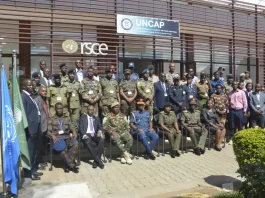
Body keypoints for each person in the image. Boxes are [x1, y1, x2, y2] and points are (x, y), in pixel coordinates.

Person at [47, 103, 79, 173]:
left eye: (61, 108)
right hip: (58, 138)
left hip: (67, 137)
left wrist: (74, 131)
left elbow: (72, 127)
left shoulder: (66, 118)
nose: (60, 110)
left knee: (75, 143)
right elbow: (48, 131)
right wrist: (52, 136)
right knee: (63, 150)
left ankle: (67, 164)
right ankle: (72, 165)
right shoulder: (51, 119)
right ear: (55, 109)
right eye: (58, 108)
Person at [21, 79, 42, 180]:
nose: (31, 87)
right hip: (31, 130)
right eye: (29, 85)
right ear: (24, 87)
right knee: (29, 152)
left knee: (34, 151)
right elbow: (24, 115)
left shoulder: (30, 96)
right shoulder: (23, 97)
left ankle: (33, 170)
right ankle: (28, 173)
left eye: (31, 85)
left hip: (35, 128)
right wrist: (29, 130)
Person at [34, 86, 49, 170]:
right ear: (39, 91)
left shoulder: (45, 99)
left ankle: (42, 161)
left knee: (43, 145)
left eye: (46, 91)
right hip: (40, 126)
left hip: (46, 125)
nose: (44, 92)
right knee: (38, 146)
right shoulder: (37, 100)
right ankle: (37, 163)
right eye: (43, 91)